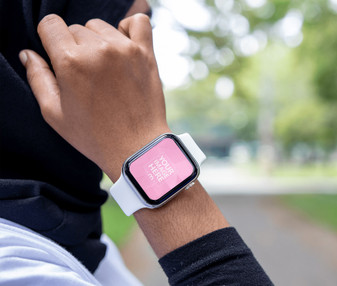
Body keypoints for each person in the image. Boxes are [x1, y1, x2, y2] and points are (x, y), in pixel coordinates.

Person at [0, 2, 274, 286]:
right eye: (122, 35)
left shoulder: (68, 231)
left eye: (148, 31)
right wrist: (140, 139)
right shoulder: (14, 266)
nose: (141, 67)